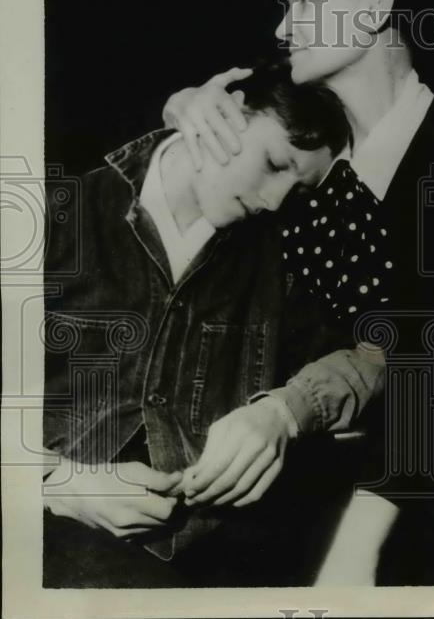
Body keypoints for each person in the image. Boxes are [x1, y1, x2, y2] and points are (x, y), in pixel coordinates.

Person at [161, 0, 434, 585]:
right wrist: (186, 117)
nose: (283, 26)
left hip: (420, 494)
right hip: (264, 487)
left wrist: (360, 536)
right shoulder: (301, 155)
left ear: (377, 5)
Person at [42, 60, 390, 587]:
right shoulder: (55, 210)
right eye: (275, 162)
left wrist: (284, 412)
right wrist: (52, 482)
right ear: (224, 111)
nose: (275, 201)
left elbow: (379, 353)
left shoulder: (281, 257)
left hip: (218, 567)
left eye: (297, 189)